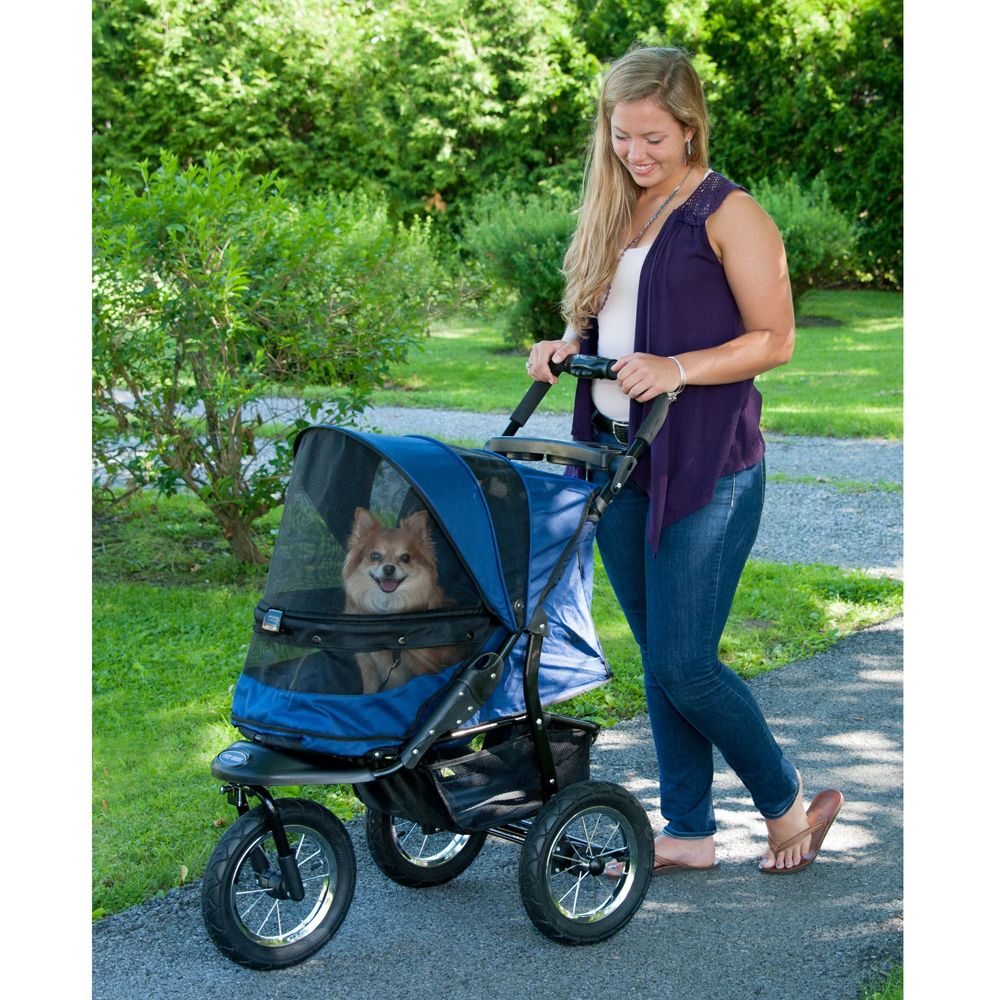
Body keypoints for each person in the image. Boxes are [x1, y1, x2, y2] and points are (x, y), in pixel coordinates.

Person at [527, 46, 843, 875]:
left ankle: (784, 806)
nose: (635, 153)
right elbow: (606, 316)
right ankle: (690, 833)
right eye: (621, 136)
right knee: (661, 657)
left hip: (706, 465)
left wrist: (677, 367)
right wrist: (562, 345)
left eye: (653, 139)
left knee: (685, 664)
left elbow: (775, 339)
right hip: (617, 459)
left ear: (692, 129)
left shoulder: (729, 213)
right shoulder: (614, 205)